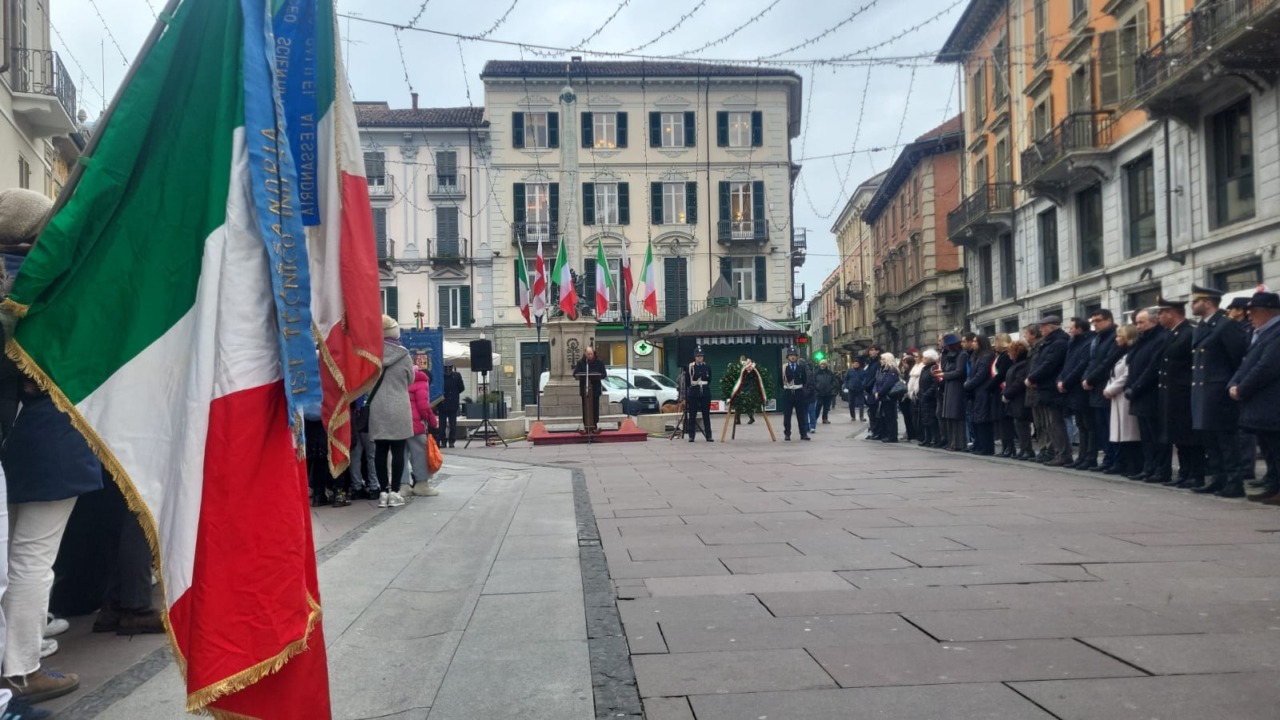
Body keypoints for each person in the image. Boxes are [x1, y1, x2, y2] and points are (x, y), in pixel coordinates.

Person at [1185, 285, 1249, 497]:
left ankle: (1234, 481)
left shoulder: (1225, 325)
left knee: (1225, 439)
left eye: (1196, 301)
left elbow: (1239, 358)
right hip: (1203, 391)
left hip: (1219, 391)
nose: (1192, 305)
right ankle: (1218, 477)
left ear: (1208, 302)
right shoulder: (1202, 327)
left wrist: (1233, 384)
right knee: (1209, 438)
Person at [1230, 292, 1280, 502]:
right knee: (1269, 448)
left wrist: (1242, 389)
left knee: (1276, 448)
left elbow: (1266, 367)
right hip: (1259, 404)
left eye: (1253, 312)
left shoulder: (1276, 333)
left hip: (1271, 402)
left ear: (1266, 312)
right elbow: (1246, 363)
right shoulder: (1260, 332)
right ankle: (1273, 486)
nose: (1249, 316)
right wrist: (1233, 383)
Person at [1154, 297, 1204, 488]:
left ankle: (1195, 473)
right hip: (1172, 393)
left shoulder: (1188, 333)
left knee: (1189, 436)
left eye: (1161, 313)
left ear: (1171, 313)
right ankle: (1185, 472)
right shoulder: (1172, 334)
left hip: (1184, 393)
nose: (1159, 316)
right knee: (1179, 436)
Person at [370, 315, 415, 508]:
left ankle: (382, 492)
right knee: (398, 451)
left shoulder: (371, 353)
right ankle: (395, 492)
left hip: (377, 406)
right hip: (399, 407)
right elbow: (410, 379)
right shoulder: (404, 355)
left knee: (380, 451)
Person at [1125, 309, 1168, 482]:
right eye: (1137, 322)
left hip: (1151, 394)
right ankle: (1149, 467)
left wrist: (1136, 388)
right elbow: (1133, 363)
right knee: (1146, 436)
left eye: (1141, 322)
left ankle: (1161, 470)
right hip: (1139, 395)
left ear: (1154, 321)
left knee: (1157, 435)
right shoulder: (1142, 340)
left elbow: (1153, 368)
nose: (1138, 326)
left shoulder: (1160, 338)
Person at [1027, 315, 1071, 466]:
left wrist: (1032, 378)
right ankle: (1059, 453)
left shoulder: (1058, 343)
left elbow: (1048, 364)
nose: (1041, 329)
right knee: (1051, 423)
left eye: (1043, 326)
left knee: (1056, 423)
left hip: (1052, 388)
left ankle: (1063, 454)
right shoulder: (1049, 342)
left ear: (1051, 327)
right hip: (1045, 388)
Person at [1082, 309, 1121, 473]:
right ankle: (1108, 458)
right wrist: (1086, 378)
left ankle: (1114, 460)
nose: (1095, 324)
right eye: (1093, 321)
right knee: (1102, 427)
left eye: (1098, 321)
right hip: (1096, 389)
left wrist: (1090, 379)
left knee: (1111, 427)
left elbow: (1107, 362)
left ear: (1109, 320)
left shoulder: (1114, 337)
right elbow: (1091, 362)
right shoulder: (1097, 339)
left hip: (1106, 387)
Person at [1103, 324, 1143, 476]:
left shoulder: (1130, 354)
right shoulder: (1120, 354)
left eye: (1120, 336)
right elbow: (1113, 374)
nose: (1116, 339)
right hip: (1116, 397)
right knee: (1121, 433)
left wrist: (1111, 389)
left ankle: (1134, 465)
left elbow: (1126, 376)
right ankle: (1125, 463)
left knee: (1130, 433)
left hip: (1124, 397)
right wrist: (1108, 388)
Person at [1058, 318, 1095, 469]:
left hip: (1080, 389)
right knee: (1081, 423)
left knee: (1088, 425)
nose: (1069, 330)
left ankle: (1089, 456)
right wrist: (1060, 379)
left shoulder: (1087, 343)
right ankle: (1082, 456)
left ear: (1080, 329)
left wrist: (1066, 382)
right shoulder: (1072, 343)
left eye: (1072, 328)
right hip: (1072, 389)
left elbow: (1081, 366)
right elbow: (1067, 364)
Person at [408, 366, 440, 497]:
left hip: (400, 422)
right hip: (415, 424)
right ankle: (421, 484)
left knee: (401, 454)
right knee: (420, 453)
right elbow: (423, 406)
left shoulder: (404, 379)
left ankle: (403, 485)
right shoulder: (421, 381)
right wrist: (433, 422)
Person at [963, 335, 997, 455]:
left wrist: (968, 385)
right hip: (975, 392)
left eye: (975, 342)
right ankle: (979, 445)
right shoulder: (976, 356)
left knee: (983, 419)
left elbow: (981, 375)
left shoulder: (986, 356)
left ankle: (986, 447)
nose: (973, 343)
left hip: (983, 390)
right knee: (976, 419)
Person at [1002, 340, 1033, 459]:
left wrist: (1007, 394)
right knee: (1018, 424)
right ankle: (1023, 449)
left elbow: (1019, 382)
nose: (1009, 354)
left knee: (1022, 423)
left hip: (1020, 397)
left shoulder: (1022, 364)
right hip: (1015, 399)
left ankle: (1028, 449)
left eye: (1010, 352)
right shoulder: (1016, 364)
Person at [939, 335, 968, 451]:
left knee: (956, 416)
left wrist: (945, 375)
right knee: (949, 416)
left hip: (957, 387)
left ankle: (959, 443)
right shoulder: (949, 355)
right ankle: (952, 442)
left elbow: (959, 372)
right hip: (949, 386)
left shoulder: (962, 355)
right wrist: (945, 356)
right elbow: (945, 368)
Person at [574, 346, 607, 434]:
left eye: (591, 354)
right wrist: (582, 375)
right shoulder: (581, 363)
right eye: (588, 354)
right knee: (586, 407)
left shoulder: (599, 362)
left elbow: (604, 375)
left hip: (595, 389)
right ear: (585, 353)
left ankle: (594, 425)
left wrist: (596, 375)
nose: (590, 356)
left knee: (595, 408)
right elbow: (576, 374)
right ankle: (586, 426)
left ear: (593, 353)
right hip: (585, 389)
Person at [780, 347, 810, 441]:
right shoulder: (784, 368)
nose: (792, 357)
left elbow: (804, 380)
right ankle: (787, 433)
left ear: (796, 357)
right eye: (790, 355)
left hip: (799, 392)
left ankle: (803, 433)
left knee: (801, 415)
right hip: (788, 393)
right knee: (787, 415)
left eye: (794, 356)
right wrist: (787, 388)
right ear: (787, 357)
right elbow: (780, 381)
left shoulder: (801, 367)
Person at [684, 347, 713, 442]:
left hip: (705, 392)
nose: (700, 358)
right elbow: (688, 381)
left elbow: (709, 380)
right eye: (698, 356)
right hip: (694, 392)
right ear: (695, 357)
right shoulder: (690, 367)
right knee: (692, 415)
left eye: (701, 356)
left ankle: (708, 435)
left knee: (706, 415)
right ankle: (691, 435)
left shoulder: (707, 367)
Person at [873, 354, 901, 443]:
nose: (881, 361)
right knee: (884, 416)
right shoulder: (881, 370)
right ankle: (886, 434)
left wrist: (880, 393)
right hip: (882, 397)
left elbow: (888, 384)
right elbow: (877, 382)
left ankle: (892, 436)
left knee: (891, 417)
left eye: (883, 359)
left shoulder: (892, 371)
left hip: (889, 397)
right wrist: (876, 392)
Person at [916, 350, 942, 447]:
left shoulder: (933, 368)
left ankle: (936, 439)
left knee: (932, 419)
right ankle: (927, 438)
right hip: (923, 396)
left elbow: (935, 383)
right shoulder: (924, 369)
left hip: (930, 398)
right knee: (925, 419)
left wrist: (927, 394)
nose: (923, 359)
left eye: (925, 358)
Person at [438, 365, 464, 448]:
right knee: (442, 425)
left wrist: (454, 394)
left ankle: (451, 441)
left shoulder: (457, 376)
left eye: (449, 368)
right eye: (446, 368)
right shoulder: (440, 376)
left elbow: (461, 388)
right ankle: (443, 441)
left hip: (452, 402)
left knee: (452, 424)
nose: (448, 370)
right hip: (442, 403)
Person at [863, 346, 883, 438]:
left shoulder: (878, 362)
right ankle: (873, 430)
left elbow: (876, 377)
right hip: (869, 390)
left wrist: (868, 385)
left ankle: (877, 431)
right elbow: (866, 375)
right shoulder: (870, 362)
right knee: (871, 411)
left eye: (872, 350)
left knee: (876, 411)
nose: (870, 352)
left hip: (874, 389)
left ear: (877, 351)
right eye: (869, 350)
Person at [899, 355, 918, 442]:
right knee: (907, 417)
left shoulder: (911, 372)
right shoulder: (905, 372)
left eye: (905, 363)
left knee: (910, 416)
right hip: (904, 397)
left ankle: (913, 435)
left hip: (909, 396)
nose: (903, 364)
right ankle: (910, 434)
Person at [814, 361, 837, 425]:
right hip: (819, 393)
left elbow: (834, 381)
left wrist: (832, 389)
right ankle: (815, 418)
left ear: (826, 365)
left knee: (826, 407)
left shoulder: (830, 373)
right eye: (821, 364)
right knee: (818, 406)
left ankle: (825, 419)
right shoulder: (816, 373)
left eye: (824, 364)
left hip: (828, 393)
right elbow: (813, 382)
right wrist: (816, 389)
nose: (822, 365)